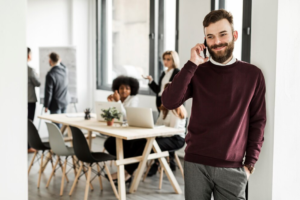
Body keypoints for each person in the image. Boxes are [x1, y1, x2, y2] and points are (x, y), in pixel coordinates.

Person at [162, 9, 266, 200]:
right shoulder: (197, 71)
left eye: (222, 34)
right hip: (195, 164)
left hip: (233, 168)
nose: (216, 42)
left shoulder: (253, 75)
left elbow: (258, 121)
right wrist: (192, 64)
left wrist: (250, 164)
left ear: (234, 35)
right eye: (210, 37)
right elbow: (169, 101)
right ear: (205, 41)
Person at [104, 82, 187, 184]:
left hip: (176, 138)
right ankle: (126, 171)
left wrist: (154, 133)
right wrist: (151, 129)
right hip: (161, 135)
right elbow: (158, 124)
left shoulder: (176, 109)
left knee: (146, 146)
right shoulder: (164, 107)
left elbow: (172, 131)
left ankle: (127, 173)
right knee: (136, 142)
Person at [44, 52, 69, 128]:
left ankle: (58, 140)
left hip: (55, 104)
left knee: (57, 126)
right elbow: (63, 65)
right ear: (59, 60)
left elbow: (49, 92)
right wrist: (59, 60)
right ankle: (62, 139)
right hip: (65, 101)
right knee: (63, 124)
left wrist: (46, 105)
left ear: (50, 61)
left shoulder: (50, 74)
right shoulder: (65, 70)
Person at [27, 47, 41, 153]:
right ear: (28, 56)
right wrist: (37, 75)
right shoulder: (30, 70)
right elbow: (38, 83)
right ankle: (28, 146)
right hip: (30, 101)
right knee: (29, 123)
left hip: (20, 101)